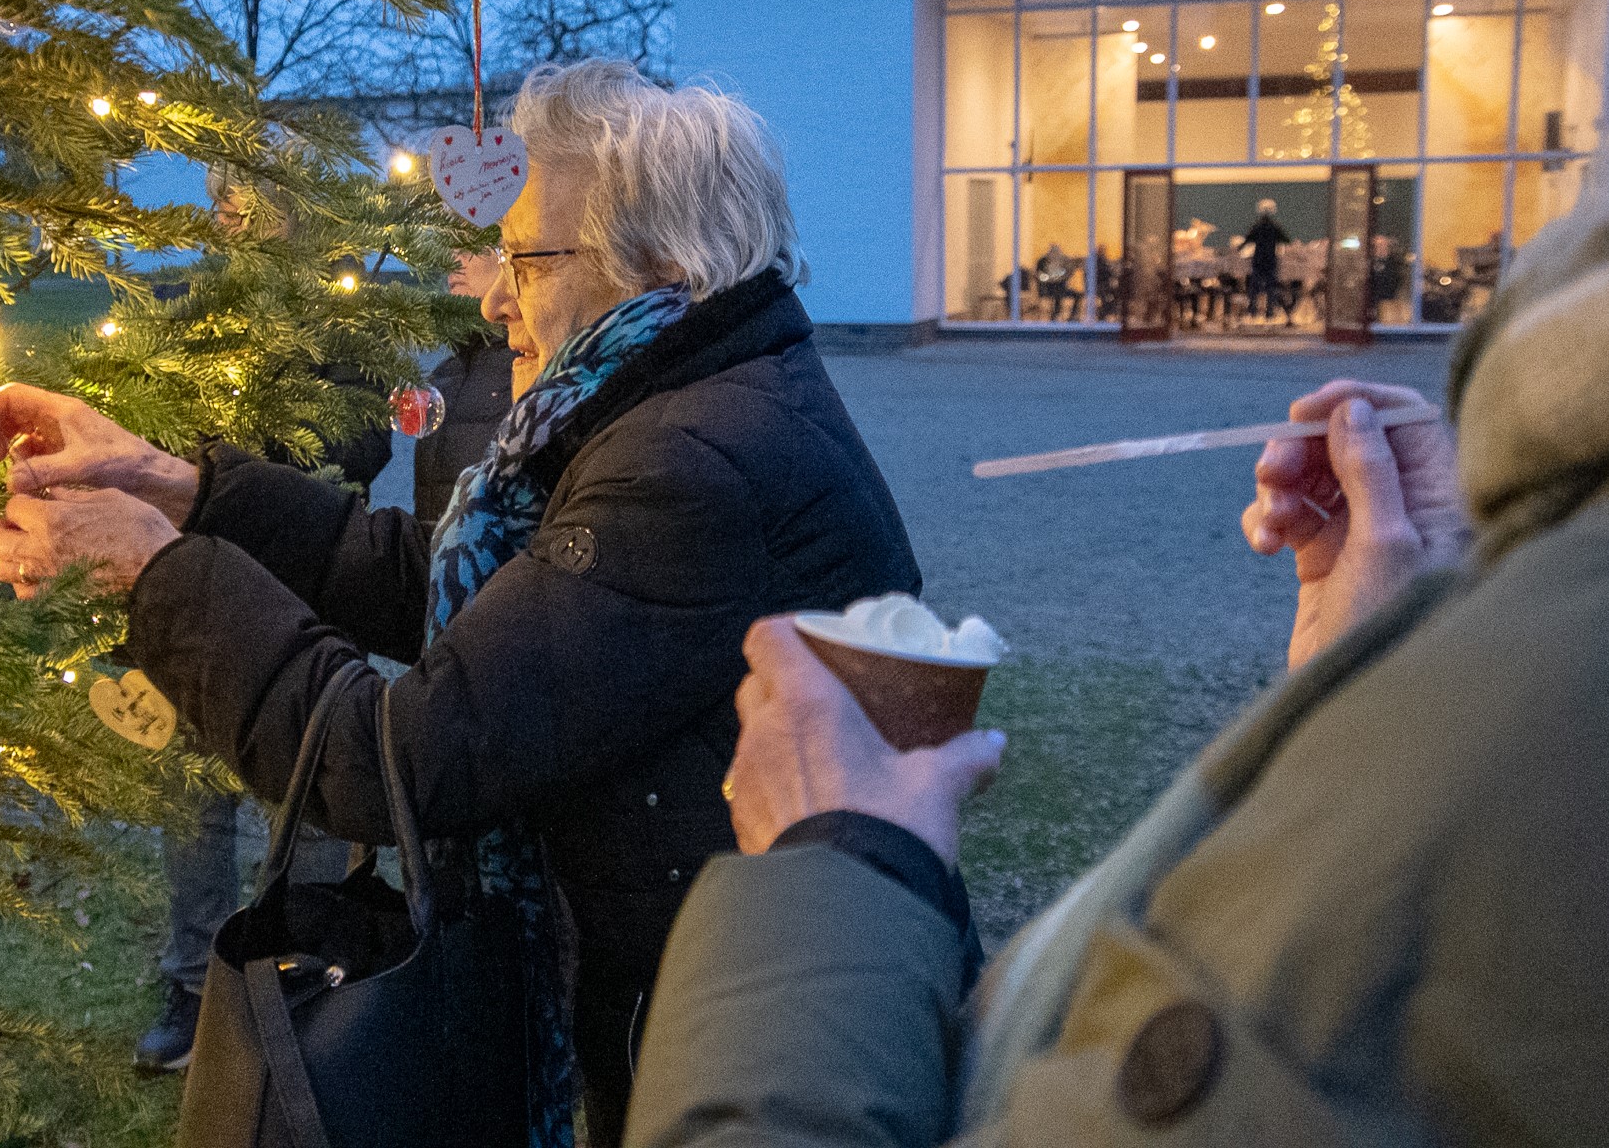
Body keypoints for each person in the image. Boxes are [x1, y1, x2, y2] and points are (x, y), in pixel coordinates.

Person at [0, 59, 920, 1144]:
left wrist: (156, 574)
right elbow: (446, 587)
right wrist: (183, 493)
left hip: (715, 1043)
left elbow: (398, 766)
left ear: (658, 262)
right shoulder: (683, 402)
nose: (490, 295)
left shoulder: (694, 461)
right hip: (694, 1000)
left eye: (526, 256)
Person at [625, 187, 1609, 1146]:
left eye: (530, 259)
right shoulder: (1523, 640)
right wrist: (1387, 680)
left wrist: (831, 868)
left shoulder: (1560, 716)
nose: (496, 297)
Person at [133, 165, 395, 1073]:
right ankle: (193, 983)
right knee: (192, 795)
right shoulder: (201, 305)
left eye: (241, 192)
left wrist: (257, 463)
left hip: (308, 588)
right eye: (217, 197)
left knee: (313, 791)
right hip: (208, 581)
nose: (226, 210)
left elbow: (369, 440)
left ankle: (304, 972)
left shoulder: (341, 305)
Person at [414, 250, 517, 533]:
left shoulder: (525, 367)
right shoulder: (446, 374)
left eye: (469, 249)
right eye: (449, 248)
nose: (452, 262)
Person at [1241, 197, 1292, 322]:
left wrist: (1238, 249)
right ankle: (1269, 311)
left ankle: (1253, 310)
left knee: (1255, 286)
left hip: (1258, 259)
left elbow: (1247, 240)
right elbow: (1286, 240)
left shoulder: (1257, 227)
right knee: (1271, 286)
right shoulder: (1275, 227)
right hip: (1270, 259)